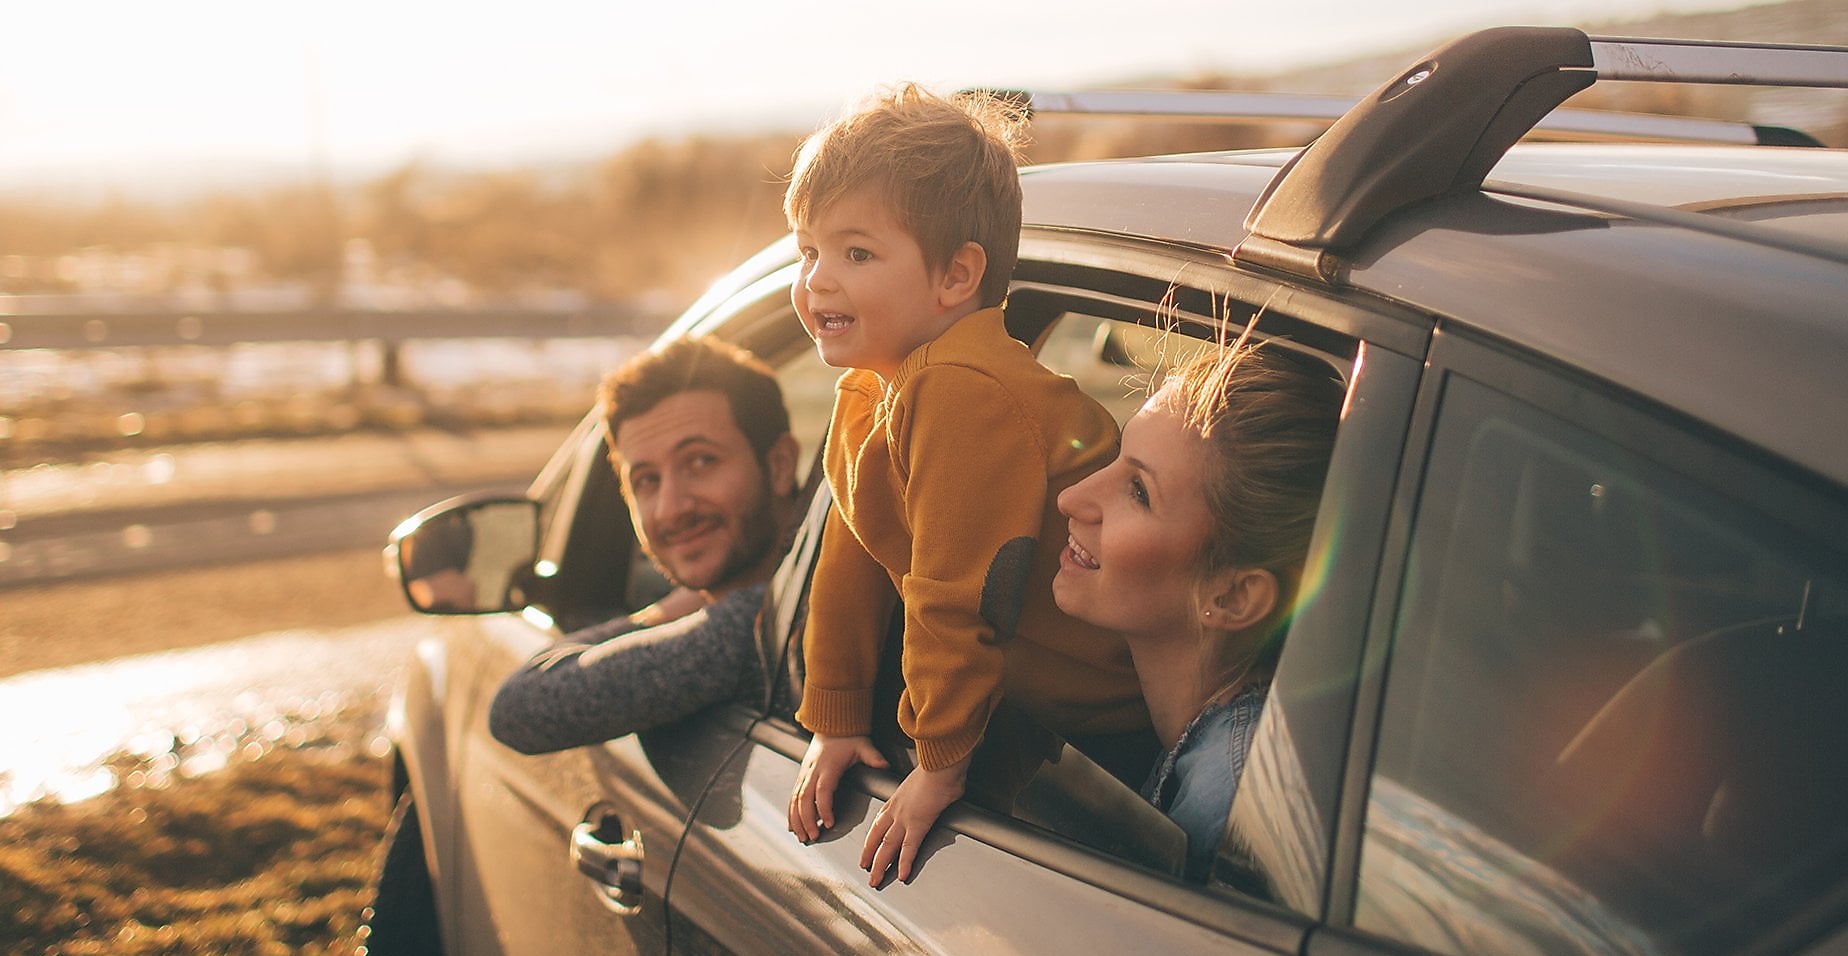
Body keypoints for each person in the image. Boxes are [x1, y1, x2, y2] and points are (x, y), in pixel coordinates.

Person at [781, 84, 1147, 886]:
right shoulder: (874, 390)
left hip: (1122, 717)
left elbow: (955, 592)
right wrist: (836, 717)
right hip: (1043, 704)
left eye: (857, 253)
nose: (817, 282)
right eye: (807, 252)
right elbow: (852, 564)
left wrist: (939, 762)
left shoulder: (960, 389)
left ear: (956, 276)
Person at [1052, 341, 1343, 881]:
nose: (1072, 498)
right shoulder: (1236, 750)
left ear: (1232, 597)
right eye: (1117, 456)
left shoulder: (1226, 810)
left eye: (1138, 491)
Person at [488, 335, 805, 754]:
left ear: (780, 464)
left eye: (700, 461)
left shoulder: (774, 623)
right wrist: (686, 604)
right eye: (647, 481)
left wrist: (671, 611)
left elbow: (521, 709)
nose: (671, 509)